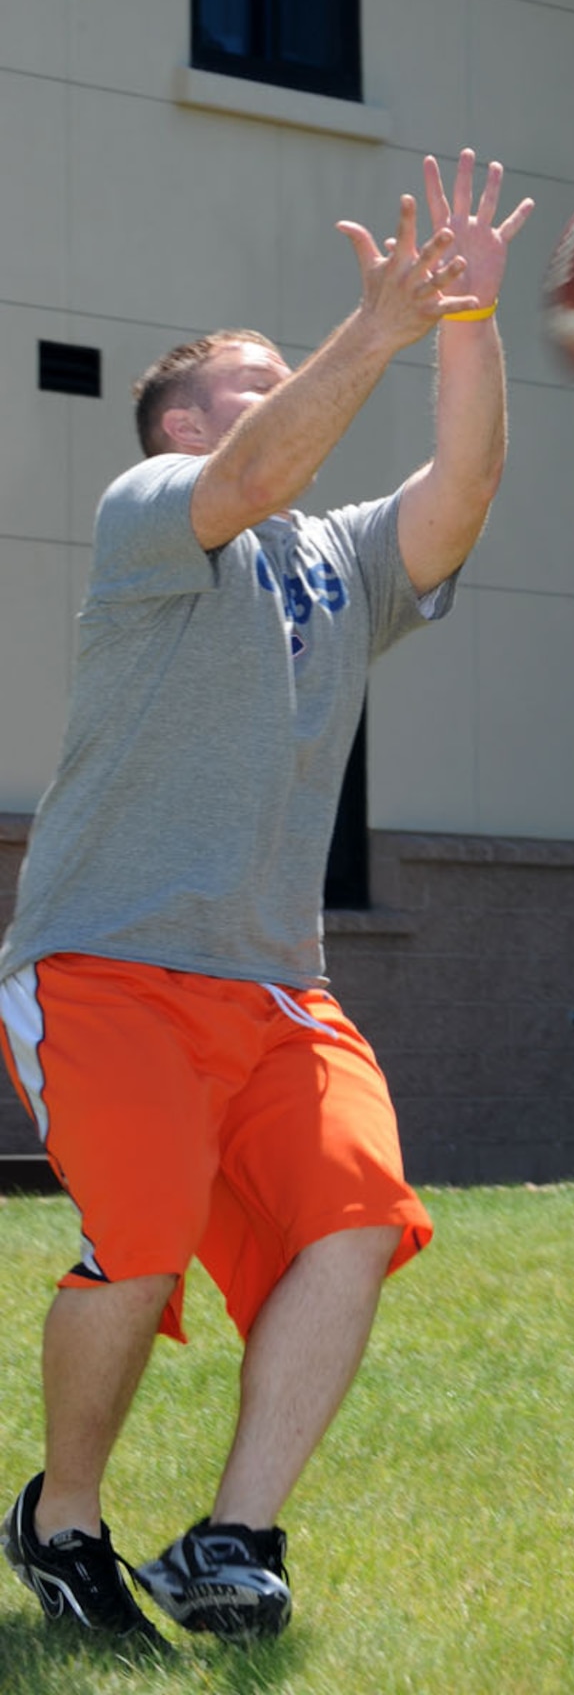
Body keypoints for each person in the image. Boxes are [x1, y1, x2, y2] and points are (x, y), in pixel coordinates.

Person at [0, 149, 533, 1649]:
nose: (293, 380)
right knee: (146, 1239)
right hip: (104, 962)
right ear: (178, 418)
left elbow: (463, 489)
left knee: (356, 1222)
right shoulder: (154, 504)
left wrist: (469, 322)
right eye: (259, 374)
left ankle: (231, 1536)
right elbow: (250, 477)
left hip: (276, 983)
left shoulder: (340, 565)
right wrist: (372, 331)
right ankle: (63, 1520)